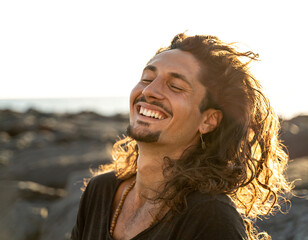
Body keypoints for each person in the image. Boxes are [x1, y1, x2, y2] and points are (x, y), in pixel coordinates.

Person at [71, 33, 292, 240]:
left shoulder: (211, 218)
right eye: (147, 79)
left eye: (175, 86)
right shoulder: (100, 191)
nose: (149, 91)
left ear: (208, 120)